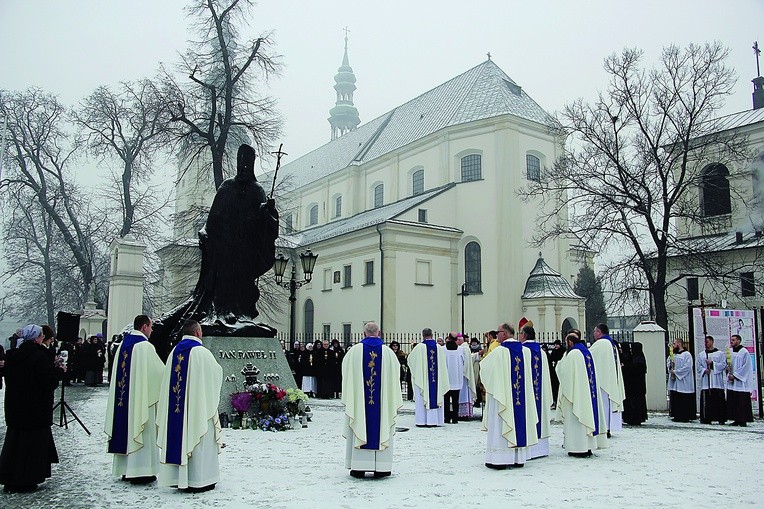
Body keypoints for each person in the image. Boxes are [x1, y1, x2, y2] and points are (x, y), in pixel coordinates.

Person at [157, 319, 223, 492]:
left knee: (179, 437)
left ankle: (178, 478)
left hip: (176, 411)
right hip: (197, 410)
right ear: (198, 332)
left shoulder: (174, 353)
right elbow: (216, 374)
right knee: (200, 439)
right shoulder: (202, 353)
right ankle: (200, 479)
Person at [0, 324, 65, 492]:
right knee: (32, 447)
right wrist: (59, 371)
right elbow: (47, 382)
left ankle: (11, 478)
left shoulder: (13, 356)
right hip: (35, 409)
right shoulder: (39, 356)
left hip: (16, 407)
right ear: (36, 337)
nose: (42, 337)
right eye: (41, 335)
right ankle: (27, 479)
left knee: (16, 445)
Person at [105, 315, 165, 484]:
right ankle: (141, 471)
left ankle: (126, 470)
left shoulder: (123, 345)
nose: (152, 331)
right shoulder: (145, 347)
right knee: (142, 429)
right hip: (141, 402)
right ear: (144, 327)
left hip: (123, 402)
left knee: (126, 429)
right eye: (151, 327)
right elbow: (159, 374)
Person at [341, 322, 403, 478]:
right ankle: (382, 467)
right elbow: (396, 376)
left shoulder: (354, 352)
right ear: (379, 332)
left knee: (361, 422)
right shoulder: (388, 353)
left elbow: (345, 373)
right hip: (381, 406)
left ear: (364, 333)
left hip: (361, 405)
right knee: (381, 425)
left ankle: (359, 467)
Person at [480, 322, 539, 469]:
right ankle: (517, 459)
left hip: (503, 397)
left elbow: (484, 369)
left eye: (498, 332)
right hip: (520, 399)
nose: (496, 335)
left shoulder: (500, 352)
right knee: (519, 421)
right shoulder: (524, 351)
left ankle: (500, 459)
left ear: (504, 334)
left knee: (501, 423)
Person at [555, 332, 607, 457]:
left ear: (570, 342)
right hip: (587, 393)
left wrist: (558, 366)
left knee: (576, 420)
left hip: (576, 394)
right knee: (587, 415)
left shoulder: (573, 354)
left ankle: (577, 447)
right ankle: (588, 446)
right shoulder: (586, 352)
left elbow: (564, 372)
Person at [519, 325, 553, 459]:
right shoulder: (541, 352)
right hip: (540, 392)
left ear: (524, 335)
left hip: (528, 392)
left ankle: (530, 448)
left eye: (520, 334)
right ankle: (541, 449)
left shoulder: (522, 351)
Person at [408, 328, 449, 427]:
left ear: (422, 335)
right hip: (437, 380)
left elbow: (410, 360)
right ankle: (435, 420)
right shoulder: (439, 347)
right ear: (432, 335)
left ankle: (422, 421)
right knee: (435, 394)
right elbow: (443, 364)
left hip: (423, 380)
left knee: (423, 397)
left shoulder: (419, 347)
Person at [589, 323, 625, 437]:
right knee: (607, 405)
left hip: (603, 380)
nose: (594, 334)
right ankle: (608, 427)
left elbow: (589, 356)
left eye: (595, 331)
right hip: (610, 378)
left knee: (603, 404)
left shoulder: (601, 344)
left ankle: (604, 428)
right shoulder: (611, 343)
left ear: (599, 332)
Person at [696, 335, 726, 425]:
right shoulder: (701, 355)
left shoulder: (720, 354)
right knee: (707, 402)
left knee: (718, 401)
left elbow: (723, 365)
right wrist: (704, 370)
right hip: (706, 382)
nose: (706, 344)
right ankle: (706, 418)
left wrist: (712, 364)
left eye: (707, 342)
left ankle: (720, 418)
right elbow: (698, 366)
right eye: (705, 342)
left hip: (716, 382)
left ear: (712, 342)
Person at [726, 334, 754, 427]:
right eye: (731, 340)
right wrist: (728, 369)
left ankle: (742, 420)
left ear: (738, 341)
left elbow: (746, 367)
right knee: (734, 400)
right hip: (732, 380)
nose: (732, 342)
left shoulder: (744, 352)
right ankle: (736, 419)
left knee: (741, 401)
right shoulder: (730, 351)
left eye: (733, 340)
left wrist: (735, 376)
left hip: (740, 381)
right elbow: (728, 363)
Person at [667, 338, 695, 422]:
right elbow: (668, 363)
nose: (673, 346)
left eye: (674, 344)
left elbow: (688, 367)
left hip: (684, 381)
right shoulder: (673, 355)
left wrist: (676, 372)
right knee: (676, 398)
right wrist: (670, 367)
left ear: (679, 344)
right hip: (675, 381)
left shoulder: (687, 355)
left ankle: (684, 416)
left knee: (684, 399)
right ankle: (676, 415)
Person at [454, 334, 477, 419]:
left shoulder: (463, 348)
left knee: (463, 394)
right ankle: (463, 413)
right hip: (463, 374)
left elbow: (465, 361)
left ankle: (462, 413)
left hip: (463, 375)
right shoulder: (465, 347)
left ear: (459, 340)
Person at [444, 334, 464, 424]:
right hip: (457, 378)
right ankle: (455, 418)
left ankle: (447, 418)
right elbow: (464, 361)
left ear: (448, 339)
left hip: (446, 379)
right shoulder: (460, 349)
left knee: (446, 400)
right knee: (456, 400)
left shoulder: (443, 349)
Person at [549, 339, 565, 407]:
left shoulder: (562, 351)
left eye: (557, 344)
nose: (555, 346)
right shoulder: (554, 351)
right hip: (554, 372)